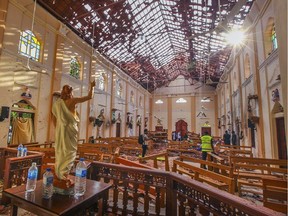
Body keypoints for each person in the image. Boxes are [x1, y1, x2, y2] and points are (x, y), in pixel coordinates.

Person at [52, 80, 95, 191]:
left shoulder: (57, 104)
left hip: (61, 130)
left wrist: (58, 127)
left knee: (61, 150)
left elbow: (53, 117)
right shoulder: (73, 100)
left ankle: (60, 174)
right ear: (70, 92)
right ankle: (63, 175)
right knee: (70, 151)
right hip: (70, 129)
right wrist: (92, 86)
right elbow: (90, 96)